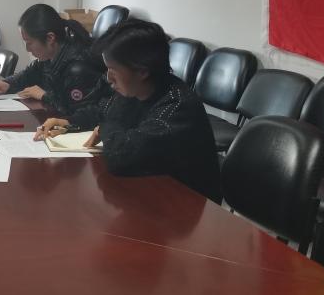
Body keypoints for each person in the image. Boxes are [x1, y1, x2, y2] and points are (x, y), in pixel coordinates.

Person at [36, 18, 222, 203]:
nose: (108, 78)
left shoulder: (177, 107)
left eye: (113, 69)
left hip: (186, 205)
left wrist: (104, 128)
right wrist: (69, 122)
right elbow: (103, 111)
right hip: (148, 191)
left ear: (142, 71)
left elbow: (121, 157)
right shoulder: (137, 88)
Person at [0, 3, 108, 117]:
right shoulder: (50, 56)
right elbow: (28, 75)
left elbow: (80, 114)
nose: (27, 49)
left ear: (50, 38)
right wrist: (7, 84)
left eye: (29, 42)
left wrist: (45, 96)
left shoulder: (78, 67)